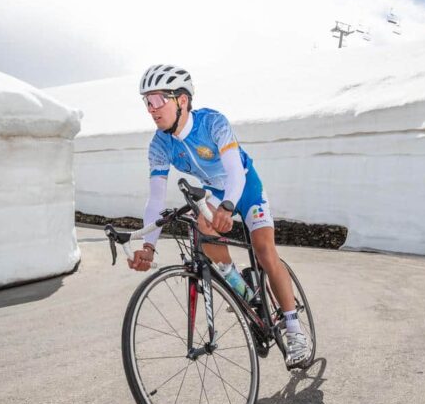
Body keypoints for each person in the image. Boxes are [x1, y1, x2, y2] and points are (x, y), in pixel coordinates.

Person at [128, 64, 310, 368]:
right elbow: (156, 198)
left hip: (245, 186)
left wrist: (228, 207)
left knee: (264, 250)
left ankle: (294, 330)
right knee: (202, 226)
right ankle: (243, 288)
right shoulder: (159, 144)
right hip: (213, 191)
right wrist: (149, 246)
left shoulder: (213, 122)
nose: (151, 109)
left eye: (158, 100)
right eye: (146, 101)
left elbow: (235, 173)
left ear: (181, 100)